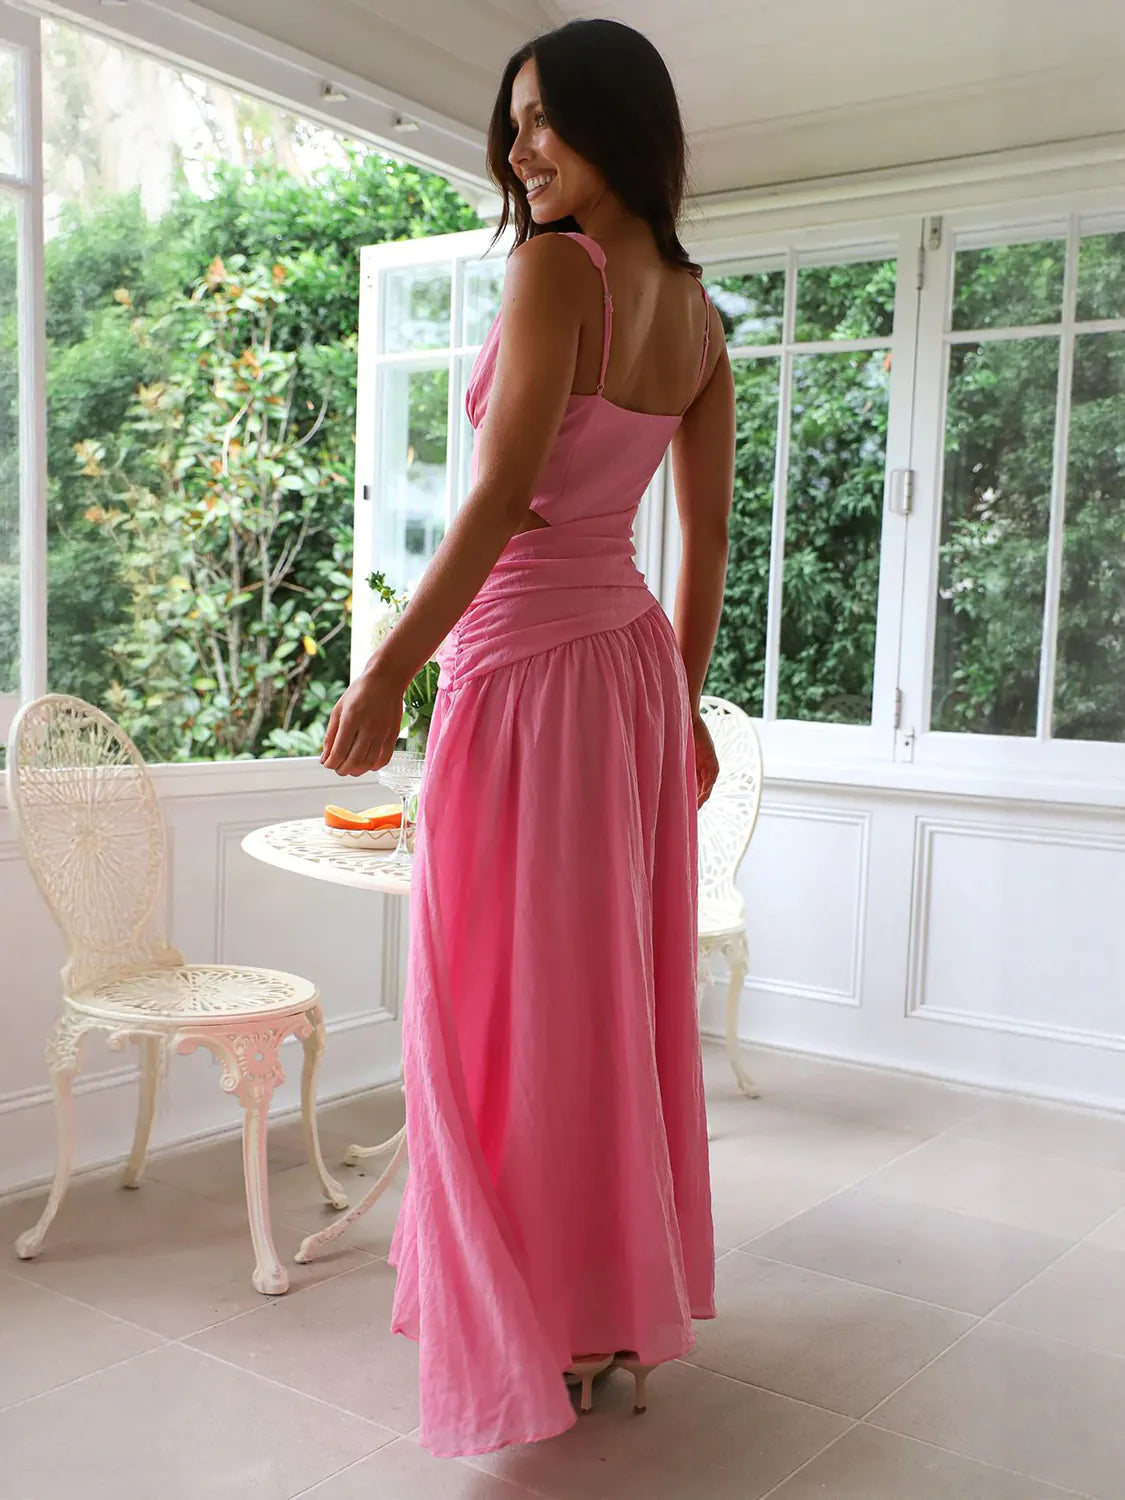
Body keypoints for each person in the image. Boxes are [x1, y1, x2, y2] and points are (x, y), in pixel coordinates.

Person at [321, 16, 735, 1459]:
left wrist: (383, 674)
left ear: (624, 125)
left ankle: (534, 1318)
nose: (518, 149)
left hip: (521, 675)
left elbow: (498, 503)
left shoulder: (555, 270)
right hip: (617, 672)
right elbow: (701, 555)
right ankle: (604, 1316)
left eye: (547, 119)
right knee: (595, 1002)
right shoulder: (695, 314)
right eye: (510, 124)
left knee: (489, 999)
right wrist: (673, 708)